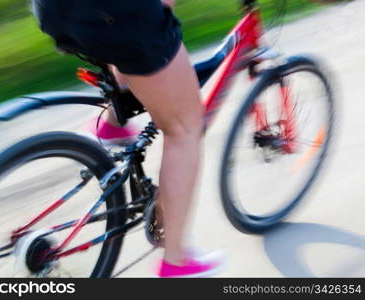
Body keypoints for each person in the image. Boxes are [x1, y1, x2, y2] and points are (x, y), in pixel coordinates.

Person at [31, 0, 225, 277]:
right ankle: (177, 261)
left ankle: (111, 127)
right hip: (112, 13)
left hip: (53, 10)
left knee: (124, 41)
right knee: (185, 129)